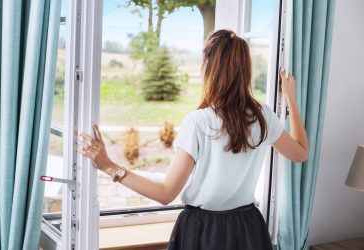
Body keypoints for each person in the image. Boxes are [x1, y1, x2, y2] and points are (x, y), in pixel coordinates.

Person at [76, 29, 308, 250]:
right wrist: (291, 101)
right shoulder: (263, 115)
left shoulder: (198, 122)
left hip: (204, 231)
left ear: (208, 66)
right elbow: (300, 153)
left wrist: (108, 166)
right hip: (248, 228)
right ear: (244, 69)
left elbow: (166, 193)